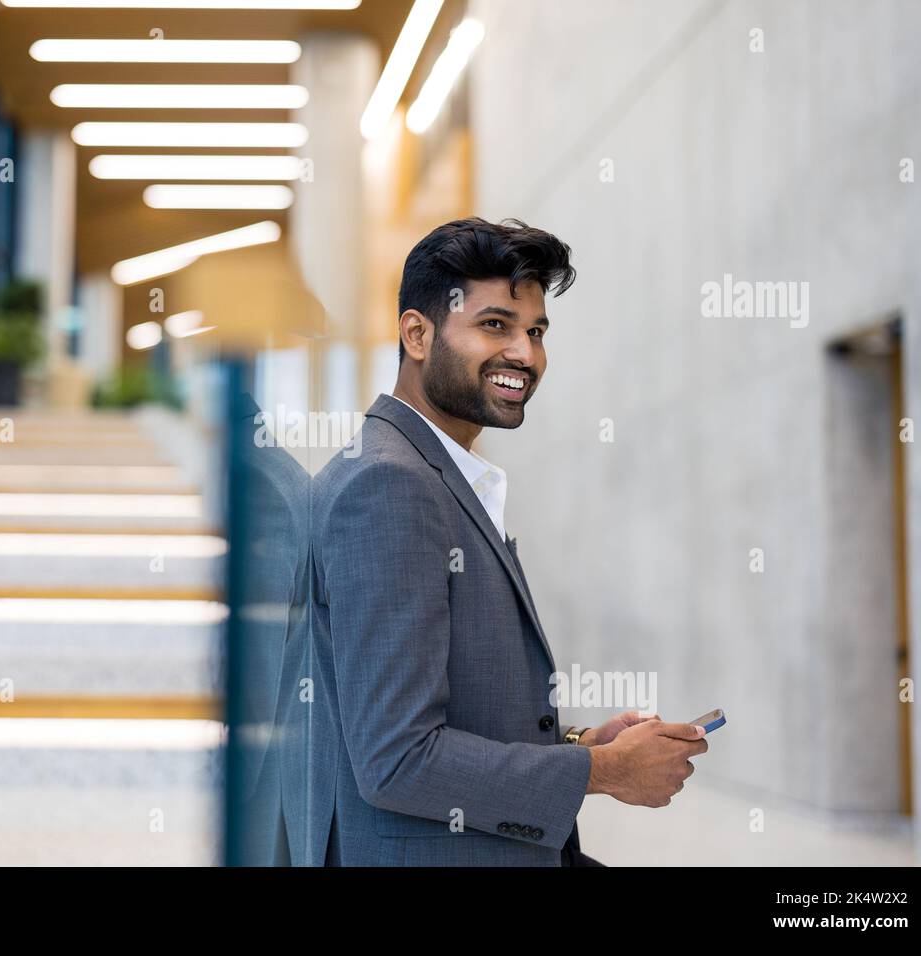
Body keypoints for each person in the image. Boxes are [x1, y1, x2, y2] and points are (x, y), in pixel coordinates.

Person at [282, 217, 708, 866]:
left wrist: (583, 747)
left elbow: (439, 713)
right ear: (417, 334)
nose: (525, 354)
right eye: (495, 325)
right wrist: (602, 772)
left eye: (535, 331)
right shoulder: (389, 486)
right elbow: (397, 759)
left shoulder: (427, 469)